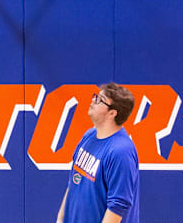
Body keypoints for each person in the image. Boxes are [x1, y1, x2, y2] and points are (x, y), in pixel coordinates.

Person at [56, 82, 140, 223]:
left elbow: (118, 206)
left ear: (112, 113)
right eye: (95, 97)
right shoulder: (89, 136)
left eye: (100, 100)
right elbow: (74, 181)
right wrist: (61, 218)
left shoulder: (121, 152)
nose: (93, 101)